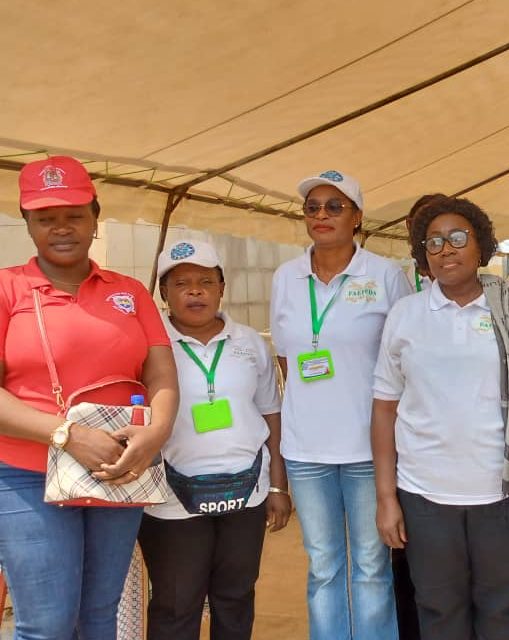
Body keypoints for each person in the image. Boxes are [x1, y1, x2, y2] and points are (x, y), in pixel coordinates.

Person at [0, 156, 178, 638]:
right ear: (28, 224)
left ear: (95, 217)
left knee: (101, 613)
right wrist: (66, 435)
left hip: (118, 469)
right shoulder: (7, 288)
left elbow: (161, 373)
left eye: (75, 214)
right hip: (27, 473)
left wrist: (154, 434)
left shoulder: (129, 293)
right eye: (45, 218)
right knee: (47, 624)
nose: (62, 228)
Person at [371, 196, 509, 640]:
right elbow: (384, 409)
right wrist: (386, 497)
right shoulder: (406, 315)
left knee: (503, 611)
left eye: (458, 237)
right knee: (439, 612)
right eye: (433, 242)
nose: (445, 249)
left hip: (500, 495)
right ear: (423, 254)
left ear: (481, 246)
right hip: (425, 496)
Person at [270, 170, 408, 640]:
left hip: (370, 450)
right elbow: (288, 359)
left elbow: (405, 363)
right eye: (312, 207)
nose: (322, 216)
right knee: (324, 565)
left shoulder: (387, 275)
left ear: (358, 218)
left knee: (371, 566)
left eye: (335, 206)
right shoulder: (286, 277)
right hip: (306, 449)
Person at [137, 240, 291, 639]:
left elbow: (271, 414)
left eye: (206, 281)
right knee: (175, 604)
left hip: (247, 493)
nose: (195, 291)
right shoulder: (148, 346)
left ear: (222, 288)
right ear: (163, 293)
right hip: (171, 500)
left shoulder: (251, 344)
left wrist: (277, 484)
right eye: (181, 283)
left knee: (236, 599)